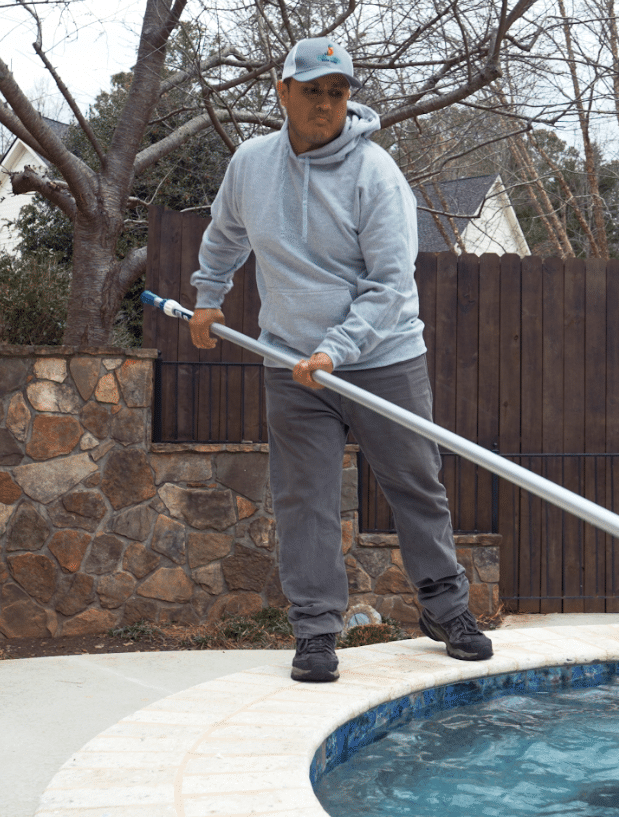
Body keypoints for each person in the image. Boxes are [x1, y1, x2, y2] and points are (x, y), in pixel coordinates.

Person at [187, 37, 493, 682]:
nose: (325, 103)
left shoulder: (375, 173)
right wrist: (209, 298)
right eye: (312, 90)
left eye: (338, 91)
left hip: (382, 357)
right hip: (290, 362)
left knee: (415, 486)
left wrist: (337, 349)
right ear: (284, 92)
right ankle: (317, 630)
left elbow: (391, 283)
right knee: (305, 499)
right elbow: (224, 234)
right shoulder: (251, 163)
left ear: (348, 97)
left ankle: (445, 608)